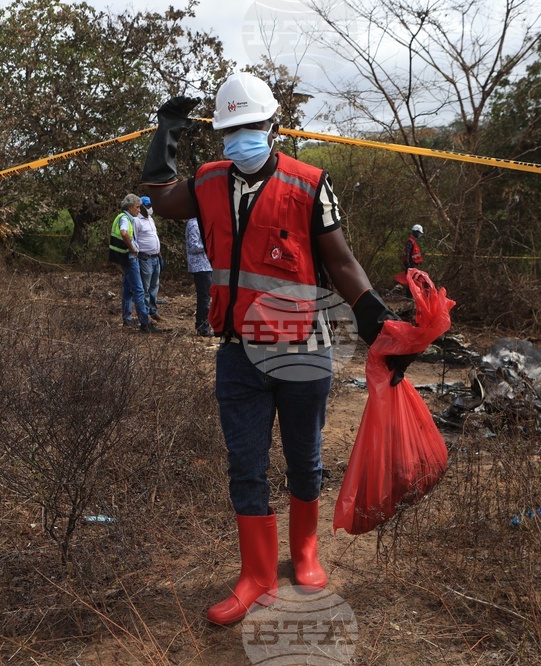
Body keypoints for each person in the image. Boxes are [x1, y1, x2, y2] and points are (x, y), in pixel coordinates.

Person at [140, 72, 414, 626]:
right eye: (230, 129)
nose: (241, 138)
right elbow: (160, 197)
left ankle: (305, 553)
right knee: (246, 467)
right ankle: (257, 575)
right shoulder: (210, 180)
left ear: (274, 126)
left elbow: (340, 261)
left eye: (251, 127)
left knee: (305, 459)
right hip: (239, 352)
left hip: (302, 351)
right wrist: (165, 131)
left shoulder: (310, 184)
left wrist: (375, 321)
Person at [108, 194, 156, 332]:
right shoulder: (125, 218)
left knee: (128, 289)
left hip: (125, 257)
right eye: (137, 207)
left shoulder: (125, 217)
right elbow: (124, 233)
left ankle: (127, 319)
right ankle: (145, 323)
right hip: (129, 257)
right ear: (130, 207)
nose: (139, 210)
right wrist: (132, 248)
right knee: (139, 290)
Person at [134, 195, 163, 323]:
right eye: (149, 206)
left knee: (154, 287)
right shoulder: (137, 221)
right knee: (145, 288)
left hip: (156, 257)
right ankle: (145, 315)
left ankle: (153, 311)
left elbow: (154, 236)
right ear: (142, 207)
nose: (151, 208)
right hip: (145, 258)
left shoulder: (150, 219)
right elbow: (134, 238)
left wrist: (159, 252)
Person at [185, 217, 214, 336]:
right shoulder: (194, 225)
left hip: (206, 265)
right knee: (204, 298)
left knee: (207, 297)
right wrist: (210, 245)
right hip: (200, 267)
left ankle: (204, 325)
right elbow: (193, 246)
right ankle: (202, 328)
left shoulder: (202, 223)